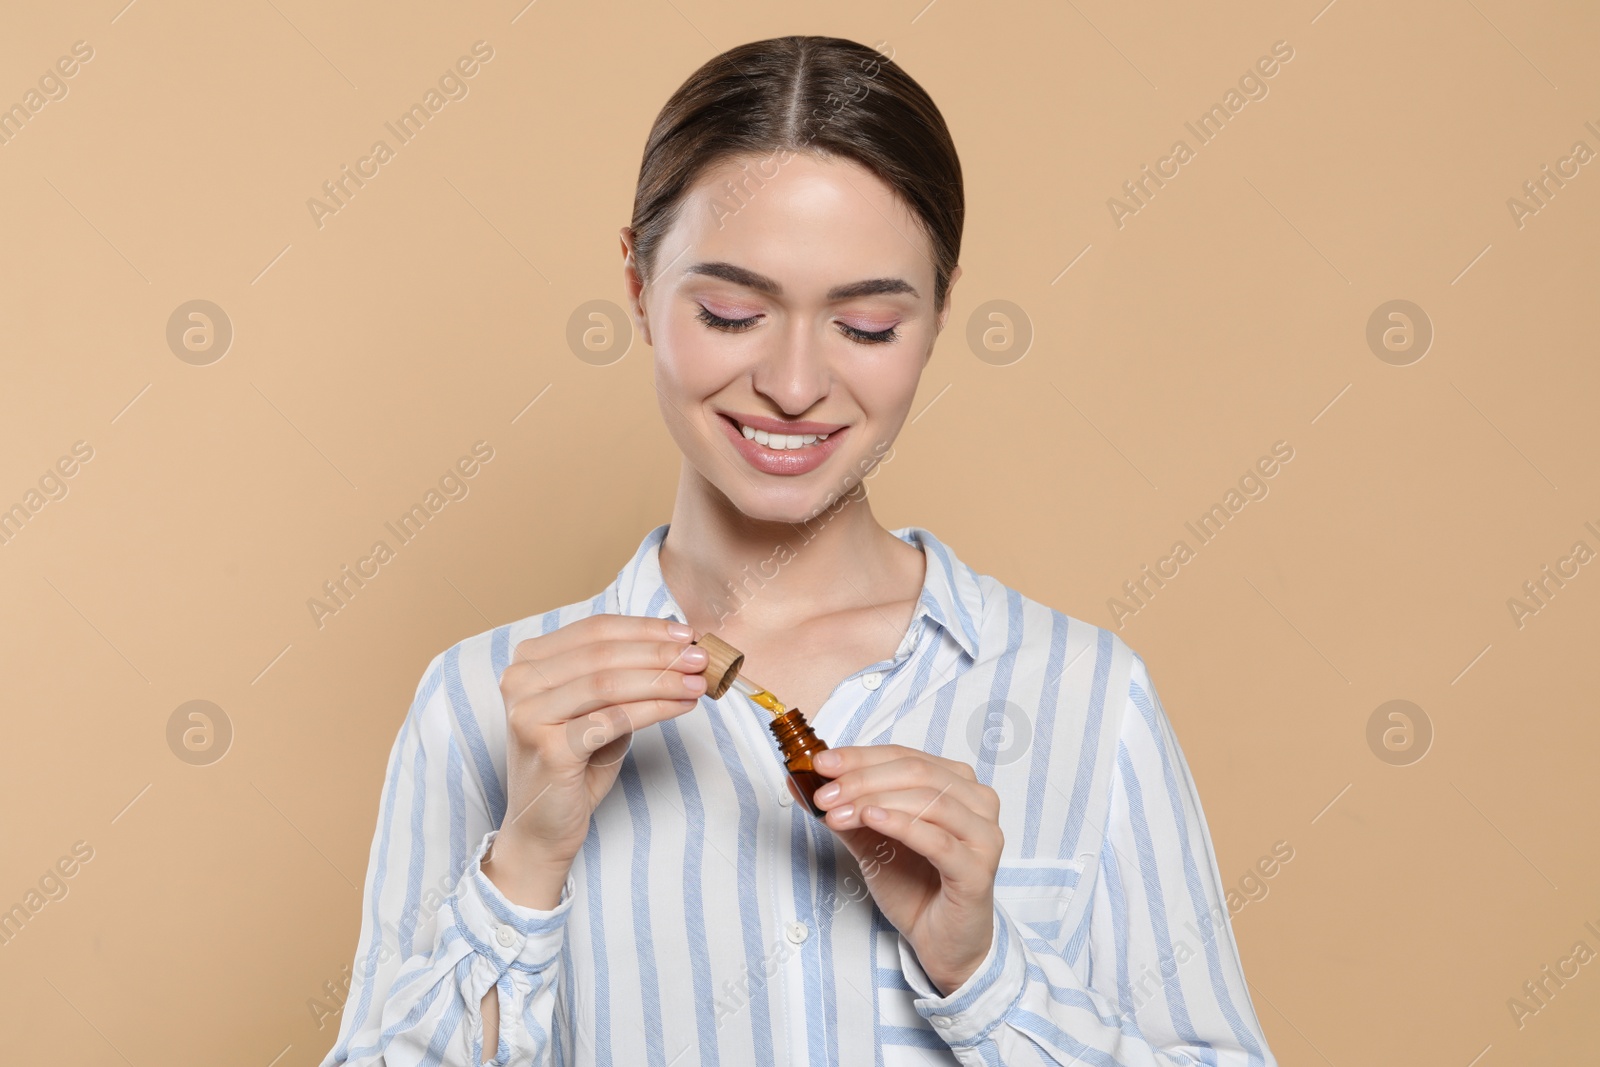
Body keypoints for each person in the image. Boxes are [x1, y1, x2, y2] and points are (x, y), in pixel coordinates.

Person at [318, 34, 1278, 1067]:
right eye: (732, 312)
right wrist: (525, 864)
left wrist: (984, 971)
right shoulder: (480, 704)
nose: (791, 382)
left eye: (864, 326)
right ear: (638, 286)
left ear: (939, 314)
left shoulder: (1090, 696)